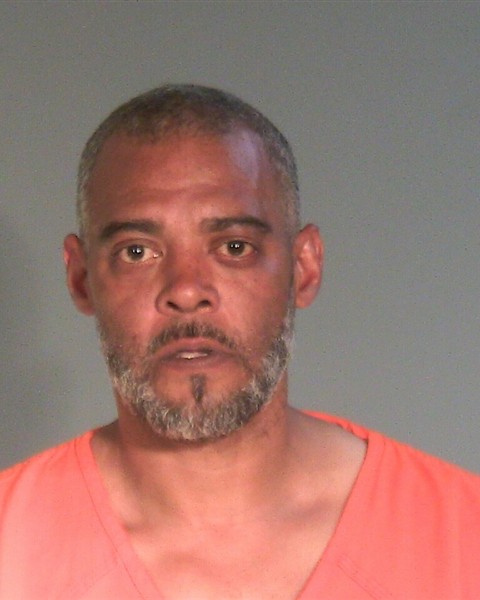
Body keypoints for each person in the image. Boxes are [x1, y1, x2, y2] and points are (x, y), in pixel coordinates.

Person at [0, 84, 479, 600]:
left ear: (303, 268)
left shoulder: (463, 536)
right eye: (137, 251)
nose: (187, 290)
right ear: (81, 278)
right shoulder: (11, 545)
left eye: (234, 247)